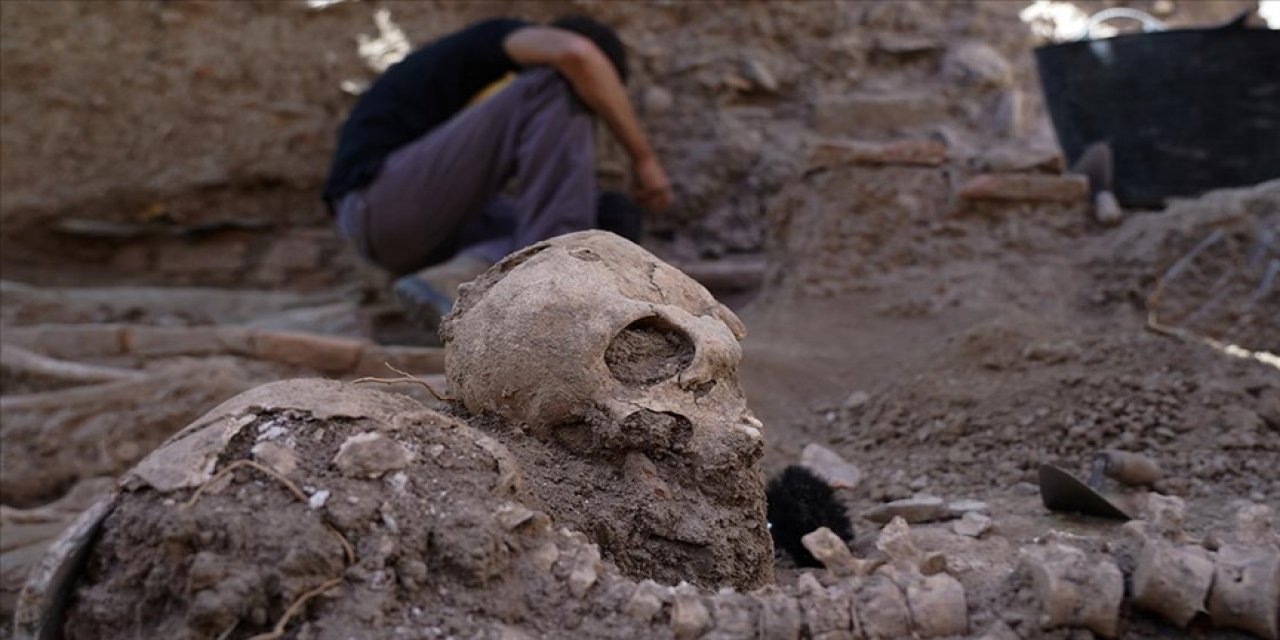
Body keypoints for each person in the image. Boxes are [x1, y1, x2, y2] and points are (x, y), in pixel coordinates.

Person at [322, 16, 673, 332]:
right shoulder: (494, 41)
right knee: (556, 85)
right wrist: (643, 159)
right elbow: (576, 53)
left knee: (606, 222)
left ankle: (462, 276)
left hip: (442, 235)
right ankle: (554, 289)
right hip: (378, 205)